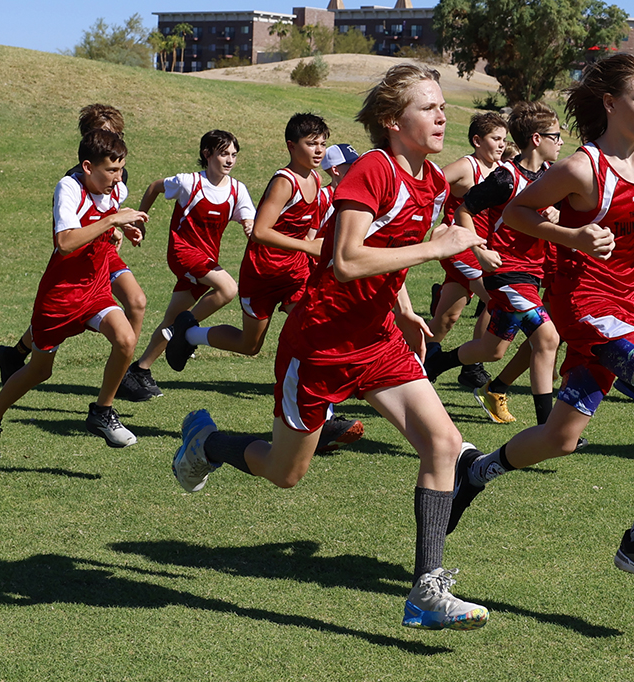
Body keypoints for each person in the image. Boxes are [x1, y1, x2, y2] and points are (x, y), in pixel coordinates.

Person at [170, 64, 489, 631]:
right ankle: (206, 441)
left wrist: (411, 306)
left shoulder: (433, 181)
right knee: (285, 471)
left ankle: (427, 591)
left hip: (377, 339)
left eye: (443, 106)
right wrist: (436, 248)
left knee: (443, 444)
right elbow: (345, 262)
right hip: (319, 342)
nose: (442, 116)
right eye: (428, 107)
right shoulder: (373, 171)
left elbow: (403, 252)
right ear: (393, 122)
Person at [449, 54, 634, 583]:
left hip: (627, 304)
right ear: (611, 104)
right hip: (587, 306)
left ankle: (474, 472)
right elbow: (518, 212)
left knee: (560, 437)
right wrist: (572, 236)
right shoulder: (582, 168)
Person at [166, 115, 363, 453]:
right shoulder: (284, 181)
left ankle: (323, 419)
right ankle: (188, 333)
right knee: (249, 344)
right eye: (310, 143)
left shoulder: (317, 182)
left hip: (295, 275)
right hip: (261, 274)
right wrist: (308, 247)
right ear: (291, 145)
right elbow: (260, 231)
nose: (318, 150)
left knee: (314, 333)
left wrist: (317, 257)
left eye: (322, 143)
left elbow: (313, 233)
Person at [0, 130, 148, 464]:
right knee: (39, 371)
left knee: (126, 339)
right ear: (87, 166)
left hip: (94, 290)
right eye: (111, 170)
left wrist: (124, 228)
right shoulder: (69, 188)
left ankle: (102, 411)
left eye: (121, 169)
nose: (118, 178)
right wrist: (113, 219)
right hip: (59, 299)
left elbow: (106, 220)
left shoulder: (115, 189)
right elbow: (64, 242)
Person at [0, 105, 150, 402]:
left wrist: (122, 228)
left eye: (116, 134)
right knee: (59, 316)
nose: (113, 141)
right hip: (82, 252)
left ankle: (123, 373)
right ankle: (14, 363)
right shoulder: (73, 181)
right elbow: (70, 234)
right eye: (105, 135)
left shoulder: (118, 174)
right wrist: (112, 224)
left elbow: (109, 208)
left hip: (102, 250)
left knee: (136, 303)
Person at [424, 102, 563, 427]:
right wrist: (480, 250)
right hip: (505, 272)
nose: (561, 144)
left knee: (493, 349)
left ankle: (436, 363)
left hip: (532, 271)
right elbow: (465, 210)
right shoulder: (505, 176)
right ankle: (548, 427)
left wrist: (554, 214)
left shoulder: (549, 178)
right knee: (548, 339)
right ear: (538, 139)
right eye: (556, 136)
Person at [126, 130, 255, 389]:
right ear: (207, 155)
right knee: (228, 289)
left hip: (205, 261)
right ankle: (184, 333)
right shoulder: (188, 182)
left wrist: (250, 226)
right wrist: (140, 218)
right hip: (182, 253)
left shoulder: (238, 189)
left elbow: (248, 217)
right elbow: (155, 187)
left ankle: (138, 372)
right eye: (223, 154)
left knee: (171, 320)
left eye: (234, 155)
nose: (229, 160)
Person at [426, 113, 508, 390]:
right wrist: (436, 225)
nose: (501, 144)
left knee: (445, 320)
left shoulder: (501, 170)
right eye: (495, 138)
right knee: (497, 298)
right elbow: (429, 187)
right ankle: (472, 367)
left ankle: (415, 359)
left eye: (504, 139)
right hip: (460, 247)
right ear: (477, 140)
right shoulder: (466, 166)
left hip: (483, 248)